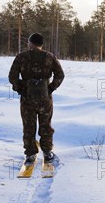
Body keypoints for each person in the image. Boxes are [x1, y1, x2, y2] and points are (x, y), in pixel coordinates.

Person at [8, 33, 64, 163]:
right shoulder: (50, 57)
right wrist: (50, 89)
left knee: (28, 126)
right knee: (45, 126)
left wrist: (20, 89)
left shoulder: (21, 57)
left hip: (27, 99)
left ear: (31, 43)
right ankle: (47, 152)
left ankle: (30, 154)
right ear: (41, 44)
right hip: (45, 99)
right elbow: (60, 75)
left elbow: (12, 77)